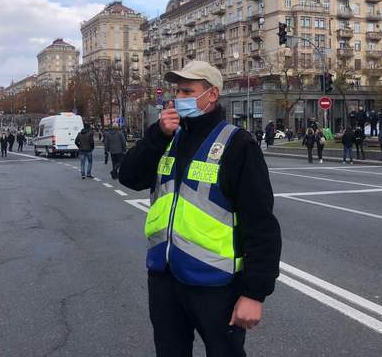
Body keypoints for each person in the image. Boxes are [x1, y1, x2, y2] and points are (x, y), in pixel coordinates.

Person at [118, 60, 281, 356]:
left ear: (212, 94)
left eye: (187, 91)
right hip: (165, 278)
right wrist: (157, 136)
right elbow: (129, 177)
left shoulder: (237, 144)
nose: (178, 98)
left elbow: (260, 224)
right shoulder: (168, 138)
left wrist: (254, 293)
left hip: (216, 284)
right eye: (177, 91)